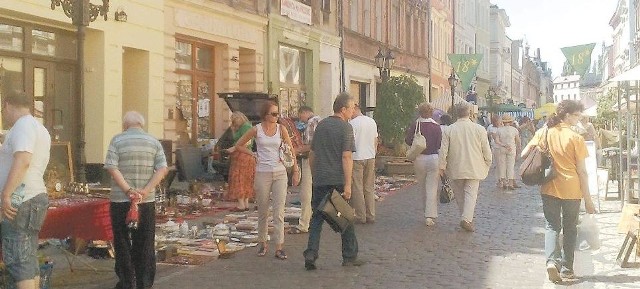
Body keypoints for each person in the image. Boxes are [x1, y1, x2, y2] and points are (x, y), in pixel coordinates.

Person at [521, 100, 596, 283]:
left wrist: (540, 147)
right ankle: (567, 269)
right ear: (567, 115)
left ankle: (551, 262)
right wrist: (588, 199)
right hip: (572, 188)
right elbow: (583, 172)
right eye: (577, 115)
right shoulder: (576, 137)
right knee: (570, 228)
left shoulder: (544, 132)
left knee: (551, 226)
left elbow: (524, 154)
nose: (579, 119)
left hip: (549, 186)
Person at [104, 111, 168, 289]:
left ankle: (126, 282)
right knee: (146, 241)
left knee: (122, 241)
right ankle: (144, 283)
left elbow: (111, 167)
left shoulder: (117, 140)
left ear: (125, 125)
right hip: (146, 201)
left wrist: (127, 189)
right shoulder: (153, 142)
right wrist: (145, 191)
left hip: (120, 200)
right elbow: (162, 169)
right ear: (142, 124)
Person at [233, 101, 299, 260]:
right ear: (265, 115)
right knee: (263, 210)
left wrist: (295, 170)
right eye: (274, 114)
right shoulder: (256, 129)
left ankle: (279, 246)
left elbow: (291, 150)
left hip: (280, 173)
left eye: (278, 113)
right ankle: (262, 242)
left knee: (279, 212)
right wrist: (253, 154)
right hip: (262, 173)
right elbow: (239, 145)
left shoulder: (281, 129)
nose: (277, 117)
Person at [304, 92, 363, 270]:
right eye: (351, 108)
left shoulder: (321, 125)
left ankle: (311, 253)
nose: (353, 111)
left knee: (317, 219)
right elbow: (346, 157)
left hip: (321, 179)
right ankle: (349, 256)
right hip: (337, 179)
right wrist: (347, 184)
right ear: (343, 109)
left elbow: (312, 154)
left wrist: (315, 175)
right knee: (346, 217)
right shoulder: (345, 128)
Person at [0, 91, 51, 289]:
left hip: (21, 198)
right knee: (27, 258)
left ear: (7, 105)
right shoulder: (38, 128)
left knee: (18, 260)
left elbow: (23, 160)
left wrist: (6, 194)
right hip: (33, 196)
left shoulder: (22, 126)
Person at [438, 102, 492, 232]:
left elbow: (443, 150)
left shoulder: (449, 130)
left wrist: (442, 166)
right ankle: (466, 219)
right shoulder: (479, 129)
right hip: (474, 166)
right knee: (471, 194)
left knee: (459, 195)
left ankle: (465, 217)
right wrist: (488, 162)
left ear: (456, 114)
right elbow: (486, 149)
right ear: (469, 113)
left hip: (456, 166)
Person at [405, 103, 442, 226]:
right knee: (432, 187)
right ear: (431, 112)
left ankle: (425, 210)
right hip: (433, 158)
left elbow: (408, 140)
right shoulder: (436, 127)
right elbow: (439, 145)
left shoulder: (416, 125)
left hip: (420, 158)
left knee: (423, 186)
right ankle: (430, 215)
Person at [289, 106, 321, 234]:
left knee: (306, 192)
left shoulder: (311, 123)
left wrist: (295, 150)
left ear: (304, 112)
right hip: (320, 160)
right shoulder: (320, 120)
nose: (300, 119)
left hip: (310, 159)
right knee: (314, 190)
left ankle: (304, 223)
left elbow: (310, 145)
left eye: (300, 115)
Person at [350, 104, 378, 224]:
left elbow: (350, 143)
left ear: (355, 109)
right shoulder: (371, 122)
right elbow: (375, 140)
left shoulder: (352, 124)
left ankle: (360, 215)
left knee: (357, 186)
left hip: (357, 157)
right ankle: (370, 214)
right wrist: (374, 153)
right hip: (370, 156)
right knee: (369, 187)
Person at [225, 112, 256, 212]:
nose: (233, 121)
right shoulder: (244, 126)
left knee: (238, 179)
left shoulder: (246, 126)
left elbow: (247, 142)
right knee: (246, 179)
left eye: (235, 118)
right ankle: (245, 204)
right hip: (244, 155)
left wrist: (233, 148)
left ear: (240, 117)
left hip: (242, 155)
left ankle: (241, 205)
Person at [495, 114, 522, 190]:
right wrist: (518, 149)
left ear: (503, 122)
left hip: (502, 148)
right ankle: (510, 183)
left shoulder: (499, 130)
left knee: (502, 166)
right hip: (511, 148)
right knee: (511, 166)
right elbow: (518, 141)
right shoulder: (514, 130)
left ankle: (504, 182)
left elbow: (496, 141)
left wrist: (503, 145)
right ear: (510, 122)